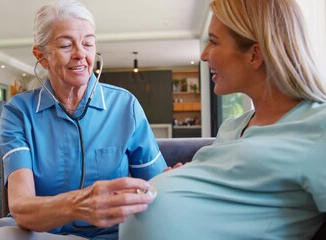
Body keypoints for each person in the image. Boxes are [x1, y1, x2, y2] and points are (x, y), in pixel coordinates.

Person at [0, 0, 168, 239]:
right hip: (37, 226)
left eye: (88, 43)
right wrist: (79, 204)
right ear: (42, 56)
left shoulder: (124, 105)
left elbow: (158, 185)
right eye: (66, 45)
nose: (81, 54)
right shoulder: (19, 111)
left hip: (106, 233)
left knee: (1, 237)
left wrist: (179, 179)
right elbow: (21, 206)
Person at [119, 0, 326, 239]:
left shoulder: (317, 127)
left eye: (213, 42)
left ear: (255, 54)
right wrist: (189, 178)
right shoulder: (233, 126)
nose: (204, 55)